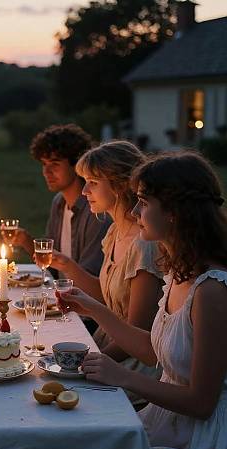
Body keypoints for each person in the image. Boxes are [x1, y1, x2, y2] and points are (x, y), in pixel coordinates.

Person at [60, 152, 227, 449]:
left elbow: (201, 402)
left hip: (202, 443)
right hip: (165, 419)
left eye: (143, 202)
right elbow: (154, 350)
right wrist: (92, 307)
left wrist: (122, 376)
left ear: (174, 212)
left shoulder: (212, 290)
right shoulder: (178, 273)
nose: (135, 214)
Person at [50, 141, 163, 405]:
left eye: (93, 182)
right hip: (107, 347)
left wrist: (86, 361)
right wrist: (68, 268)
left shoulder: (144, 246)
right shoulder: (114, 232)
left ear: (120, 185)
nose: (85, 191)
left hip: (131, 367)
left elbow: (137, 332)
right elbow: (107, 295)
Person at [13, 124, 110, 277]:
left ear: (77, 165)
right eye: (44, 164)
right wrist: (26, 241)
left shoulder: (96, 212)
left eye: (55, 164)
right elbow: (51, 265)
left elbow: (88, 278)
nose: (46, 172)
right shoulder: (59, 202)